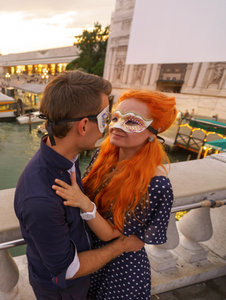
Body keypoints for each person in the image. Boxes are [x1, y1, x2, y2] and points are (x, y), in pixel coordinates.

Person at [14, 71, 144, 300]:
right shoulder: (41, 199)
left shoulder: (66, 162)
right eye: (105, 118)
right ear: (83, 126)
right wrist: (121, 246)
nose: (107, 127)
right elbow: (68, 269)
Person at [52, 90, 177, 299]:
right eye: (115, 118)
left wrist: (84, 204)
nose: (117, 126)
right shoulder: (102, 156)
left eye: (132, 122)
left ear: (152, 133)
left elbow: (113, 235)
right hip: (90, 257)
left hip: (121, 272)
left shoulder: (156, 184)